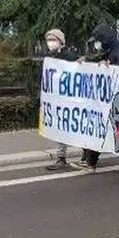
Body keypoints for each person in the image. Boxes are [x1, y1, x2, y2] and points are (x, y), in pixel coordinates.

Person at [77, 23, 119, 173]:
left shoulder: (118, 53)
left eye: (97, 39)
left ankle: (92, 161)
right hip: (108, 101)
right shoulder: (110, 50)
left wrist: (110, 66)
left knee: (112, 132)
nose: (96, 43)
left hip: (115, 101)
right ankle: (90, 160)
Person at [43, 29, 77, 171]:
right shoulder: (50, 56)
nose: (50, 42)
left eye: (53, 39)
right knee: (60, 128)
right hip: (57, 100)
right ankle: (61, 157)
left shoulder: (68, 56)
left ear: (61, 41)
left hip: (68, 99)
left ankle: (87, 155)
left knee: (70, 127)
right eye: (48, 39)